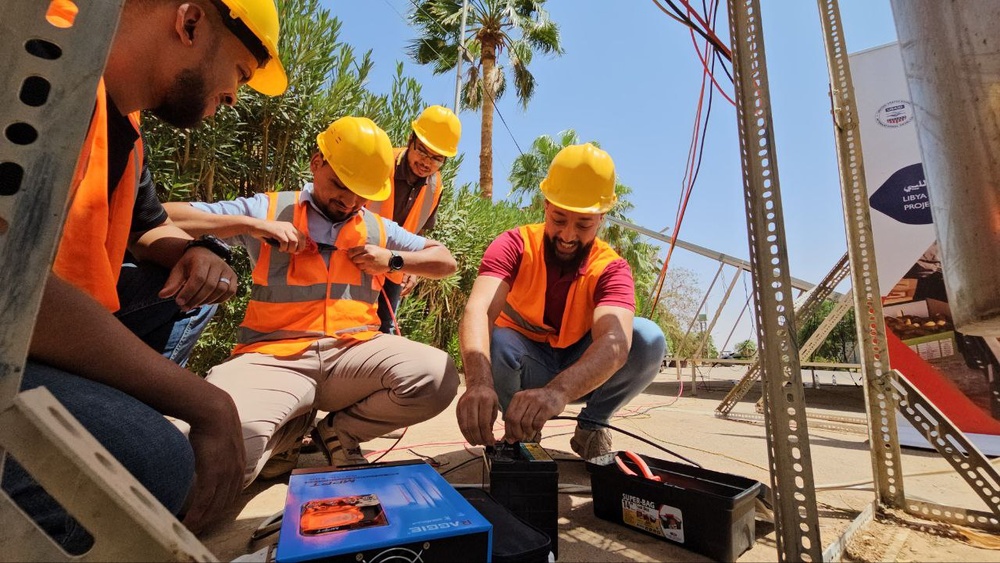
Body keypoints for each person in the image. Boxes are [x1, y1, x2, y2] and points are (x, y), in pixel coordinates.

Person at [4, 0, 287, 553]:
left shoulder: (125, 122)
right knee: (155, 461)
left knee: (197, 295)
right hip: (18, 327)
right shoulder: (37, 61)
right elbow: (10, 286)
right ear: (190, 22)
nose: (233, 97)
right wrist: (207, 403)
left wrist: (197, 251)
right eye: (240, 74)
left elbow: (147, 226)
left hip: (58, 326)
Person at [163, 116, 461, 485]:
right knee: (218, 467)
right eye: (340, 184)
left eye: (361, 192)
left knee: (437, 375)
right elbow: (167, 215)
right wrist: (252, 226)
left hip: (351, 354)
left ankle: (339, 433)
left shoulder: (377, 227)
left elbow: (446, 261)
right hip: (271, 359)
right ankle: (288, 432)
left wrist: (393, 260)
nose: (349, 201)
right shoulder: (268, 210)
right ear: (316, 162)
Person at [456, 144, 666, 459]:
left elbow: (614, 342)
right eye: (559, 219)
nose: (568, 235)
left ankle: (592, 426)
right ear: (545, 206)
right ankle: (521, 432)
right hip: (526, 362)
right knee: (497, 341)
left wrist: (558, 392)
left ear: (601, 219)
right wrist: (477, 382)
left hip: (581, 368)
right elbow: (479, 311)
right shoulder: (514, 245)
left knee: (647, 339)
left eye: (583, 225)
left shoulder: (611, 267)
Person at [366, 105, 461, 334]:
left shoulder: (435, 186)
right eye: (422, 151)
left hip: (394, 268)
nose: (427, 162)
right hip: (360, 259)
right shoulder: (381, 161)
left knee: (385, 330)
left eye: (437, 158)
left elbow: (418, 233)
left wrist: (413, 268)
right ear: (411, 139)